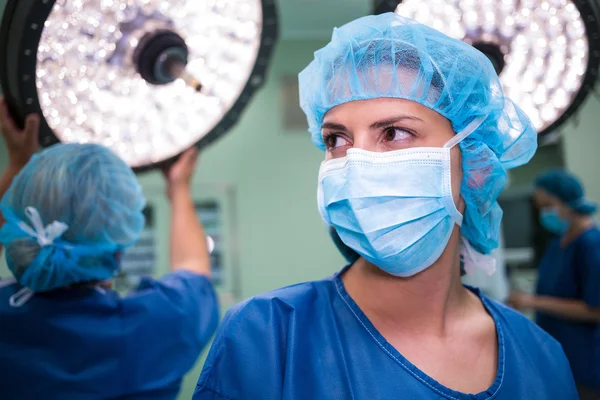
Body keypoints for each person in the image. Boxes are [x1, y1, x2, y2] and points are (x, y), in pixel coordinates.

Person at [193, 13, 577, 399]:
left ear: (474, 166)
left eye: (394, 133)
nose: (355, 164)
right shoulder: (268, 338)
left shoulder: (541, 358)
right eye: (337, 140)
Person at [0, 98, 219, 399]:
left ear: (16, 229)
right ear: (118, 249)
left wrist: (16, 163)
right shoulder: (157, 327)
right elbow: (194, 267)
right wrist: (179, 187)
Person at [509, 169, 600, 399]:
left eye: (548, 204)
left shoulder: (591, 245)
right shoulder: (558, 243)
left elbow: (595, 310)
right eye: (541, 206)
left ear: (569, 202)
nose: (544, 213)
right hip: (559, 357)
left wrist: (532, 302)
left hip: (585, 362)